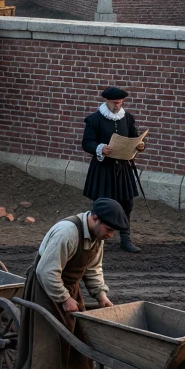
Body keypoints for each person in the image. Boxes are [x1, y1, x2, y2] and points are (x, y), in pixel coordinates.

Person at [11, 197, 127, 369]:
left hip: (68, 290)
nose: (111, 236)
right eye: (109, 229)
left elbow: (93, 268)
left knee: (81, 347)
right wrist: (64, 298)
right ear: (95, 218)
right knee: (44, 351)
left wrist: (101, 294)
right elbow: (47, 271)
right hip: (45, 290)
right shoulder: (68, 232)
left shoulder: (97, 237)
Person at [80, 87, 147, 253]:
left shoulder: (128, 118)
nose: (118, 106)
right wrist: (100, 148)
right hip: (103, 169)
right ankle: (92, 239)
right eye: (115, 103)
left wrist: (139, 146)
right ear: (107, 101)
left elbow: (134, 137)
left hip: (123, 168)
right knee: (101, 204)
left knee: (127, 203)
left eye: (120, 103)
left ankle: (125, 239)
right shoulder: (94, 120)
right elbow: (86, 143)